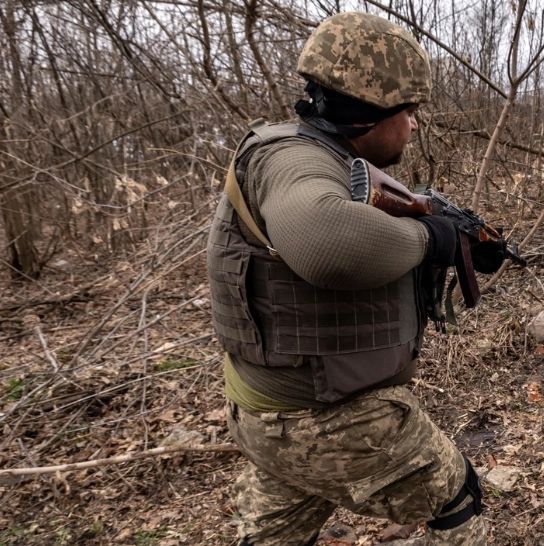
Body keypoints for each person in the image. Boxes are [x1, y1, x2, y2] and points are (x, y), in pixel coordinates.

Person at [207, 12, 501, 545]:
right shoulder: (294, 161)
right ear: (368, 114)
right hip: (328, 417)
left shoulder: (329, 160)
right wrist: (431, 239)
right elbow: (325, 242)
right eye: (408, 112)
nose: (413, 125)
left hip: (267, 411)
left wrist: (461, 242)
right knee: (458, 499)